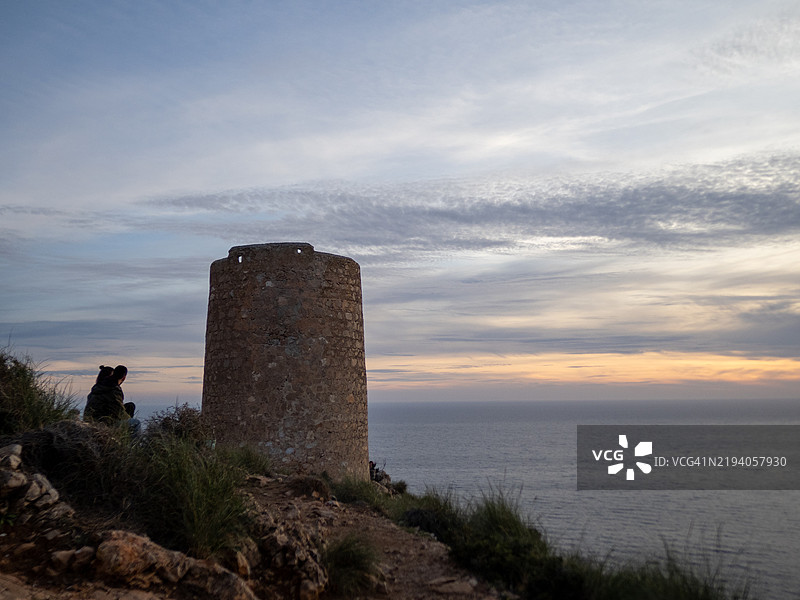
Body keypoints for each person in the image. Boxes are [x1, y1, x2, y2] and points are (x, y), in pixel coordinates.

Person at [84, 365, 140, 433]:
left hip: (92, 419)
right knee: (136, 423)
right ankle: (130, 442)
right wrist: (129, 419)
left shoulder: (97, 388)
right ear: (124, 378)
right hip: (104, 423)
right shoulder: (113, 389)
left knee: (130, 406)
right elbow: (119, 412)